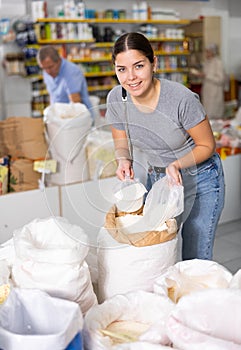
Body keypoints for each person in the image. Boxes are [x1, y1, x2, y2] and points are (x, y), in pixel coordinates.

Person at [105, 32, 225, 261]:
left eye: (138, 66)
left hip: (201, 179)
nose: (130, 77)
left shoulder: (181, 99)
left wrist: (177, 164)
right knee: (157, 249)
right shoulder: (117, 99)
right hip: (159, 178)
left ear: (154, 63)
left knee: (194, 256)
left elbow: (207, 145)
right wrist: (123, 160)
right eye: (122, 69)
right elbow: (121, 140)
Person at [36, 45, 92, 111]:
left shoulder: (71, 72)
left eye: (50, 67)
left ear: (59, 61)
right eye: (44, 68)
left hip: (77, 116)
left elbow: (76, 105)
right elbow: (53, 97)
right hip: (59, 115)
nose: (48, 71)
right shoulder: (46, 71)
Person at [193, 43, 226, 119]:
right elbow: (205, 76)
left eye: (208, 51)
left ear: (213, 52)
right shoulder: (206, 63)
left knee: (215, 115)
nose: (206, 53)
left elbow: (220, 80)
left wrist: (206, 76)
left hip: (215, 93)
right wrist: (200, 75)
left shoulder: (218, 63)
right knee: (206, 115)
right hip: (207, 91)